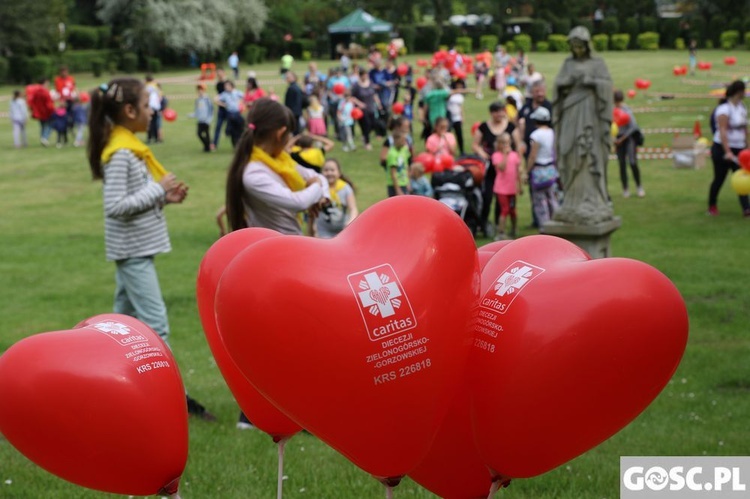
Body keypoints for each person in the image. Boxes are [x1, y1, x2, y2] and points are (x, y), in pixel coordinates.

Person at [86, 77, 214, 421]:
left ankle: (106, 386)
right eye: (146, 105)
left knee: (119, 323)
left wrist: (165, 198)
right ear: (129, 111)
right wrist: (158, 189)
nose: (152, 110)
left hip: (135, 249)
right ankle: (173, 397)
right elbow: (115, 206)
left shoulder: (130, 149)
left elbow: (132, 202)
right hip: (132, 252)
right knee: (156, 324)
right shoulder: (122, 153)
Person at [552, 26, 614, 225]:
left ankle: (591, 201)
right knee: (568, 150)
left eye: (580, 47)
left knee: (588, 153)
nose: (577, 50)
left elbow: (607, 86)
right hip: (570, 112)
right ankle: (570, 201)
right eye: (574, 47)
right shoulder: (567, 64)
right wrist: (565, 82)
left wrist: (592, 82)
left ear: (587, 46)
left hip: (590, 115)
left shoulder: (598, 63)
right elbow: (556, 87)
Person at [472, 100, 522, 238]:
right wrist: (484, 154)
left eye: (502, 111)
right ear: (492, 113)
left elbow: (518, 146)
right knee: (487, 197)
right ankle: (482, 224)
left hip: (507, 171)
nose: (500, 114)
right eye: (497, 111)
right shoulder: (483, 127)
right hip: (491, 168)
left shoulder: (511, 127)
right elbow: (475, 145)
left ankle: (499, 226)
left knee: (504, 202)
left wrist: (519, 165)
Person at [707, 80, 749, 217]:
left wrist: (747, 147)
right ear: (739, 92)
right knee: (719, 178)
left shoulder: (742, 107)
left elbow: (745, 129)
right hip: (722, 149)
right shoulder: (724, 109)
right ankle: (712, 205)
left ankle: (746, 208)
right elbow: (723, 131)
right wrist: (728, 152)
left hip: (740, 149)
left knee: (742, 177)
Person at [526, 106, 560, 227]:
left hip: (539, 170)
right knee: (552, 197)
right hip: (550, 169)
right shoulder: (552, 132)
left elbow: (533, 155)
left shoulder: (536, 135)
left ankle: (545, 226)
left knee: (540, 201)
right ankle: (556, 222)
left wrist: (527, 171)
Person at [314, 158, 359, 238]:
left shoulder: (345, 188)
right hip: (323, 232)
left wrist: (350, 222)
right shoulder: (318, 188)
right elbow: (313, 212)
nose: (329, 173)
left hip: (343, 231)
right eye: (326, 170)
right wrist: (313, 228)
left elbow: (353, 209)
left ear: (339, 173)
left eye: (332, 170)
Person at [613, 89, 645, 198]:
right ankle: (625, 188)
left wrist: (623, 138)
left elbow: (633, 126)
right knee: (621, 164)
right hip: (618, 139)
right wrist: (614, 139)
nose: (617, 104)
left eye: (619, 101)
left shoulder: (626, 110)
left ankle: (639, 186)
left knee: (632, 162)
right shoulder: (612, 111)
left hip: (629, 138)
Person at [491, 132, 522, 239]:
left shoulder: (514, 155)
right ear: (499, 144)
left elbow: (518, 171)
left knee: (513, 210)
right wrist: (505, 155)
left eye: (508, 142)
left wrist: (520, 186)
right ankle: (501, 232)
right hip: (501, 189)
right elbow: (502, 168)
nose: (506, 145)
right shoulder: (496, 156)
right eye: (503, 143)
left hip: (512, 189)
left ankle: (514, 229)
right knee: (505, 209)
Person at [351, 69, 382, 151]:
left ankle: (365, 137)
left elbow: (374, 94)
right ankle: (367, 143)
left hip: (371, 107)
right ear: (360, 76)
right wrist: (359, 103)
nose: (365, 77)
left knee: (373, 124)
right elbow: (352, 97)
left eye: (366, 75)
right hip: (361, 110)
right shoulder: (356, 86)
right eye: (364, 75)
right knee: (366, 125)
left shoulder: (370, 83)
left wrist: (378, 103)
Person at [216, 80, 245, 148]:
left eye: (228, 86)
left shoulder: (237, 92)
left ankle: (239, 143)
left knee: (239, 129)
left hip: (237, 113)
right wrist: (224, 104)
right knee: (232, 131)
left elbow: (245, 97)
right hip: (230, 114)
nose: (226, 87)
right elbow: (216, 99)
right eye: (225, 86)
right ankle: (235, 144)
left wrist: (242, 104)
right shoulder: (224, 94)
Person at [28, 78, 54, 146]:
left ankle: (42, 138)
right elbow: (48, 102)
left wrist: (33, 110)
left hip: (39, 111)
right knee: (50, 124)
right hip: (46, 111)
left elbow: (31, 101)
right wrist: (52, 109)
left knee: (42, 125)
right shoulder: (45, 91)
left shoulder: (34, 90)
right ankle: (45, 138)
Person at [385, 131, 412, 196]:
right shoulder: (392, 154)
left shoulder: (405, 150)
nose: (404, 142)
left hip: (404, 183)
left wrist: (408, 182)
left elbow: (407, 166)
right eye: (402, 140)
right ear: (395, 140)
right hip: (394, 185)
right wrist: (397, 189)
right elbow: (393, 173)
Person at [192, 83, 214, 152]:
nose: (199, 91)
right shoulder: (197, 100)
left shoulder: (207, 99)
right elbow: (197, 110)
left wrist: (209, 119)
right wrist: (193, 115)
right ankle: (206, 145)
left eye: (201, 90)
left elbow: (211, 110)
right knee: (199, 133)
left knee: (207, 133)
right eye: (198, 90)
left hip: (206, 120)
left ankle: (207, 147)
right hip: (200, 120)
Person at [447, 79, 467, 155]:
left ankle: (462, 150)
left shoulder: (460, 96)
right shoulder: (450, 93)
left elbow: (460, 106)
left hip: (457, 117)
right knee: (448, 134)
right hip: (449, 117)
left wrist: (462, 116)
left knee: (459, 134)